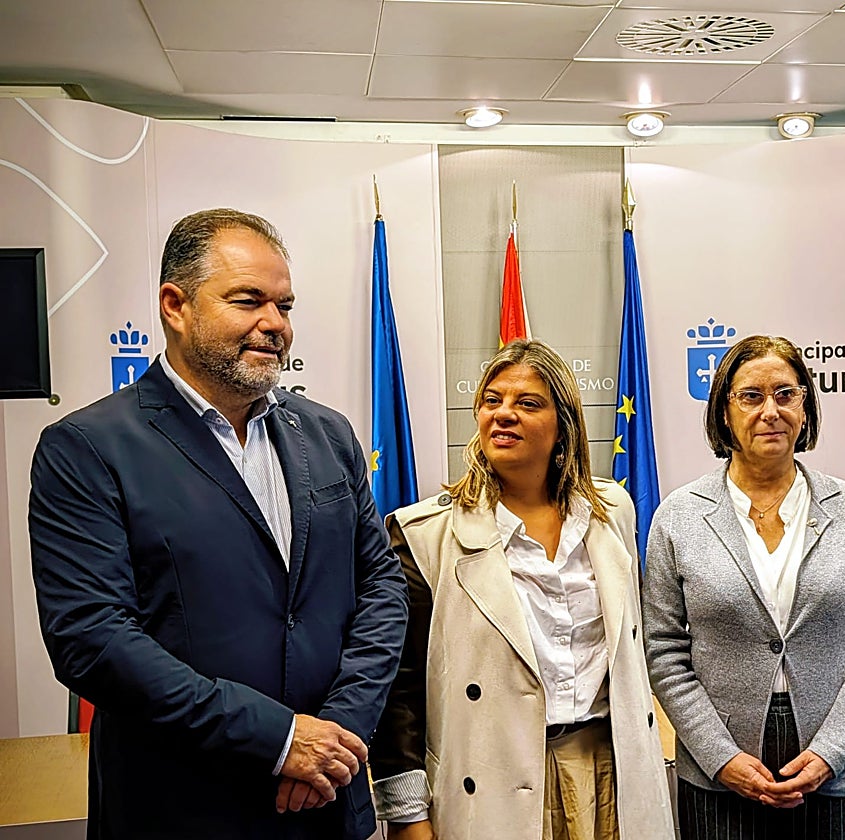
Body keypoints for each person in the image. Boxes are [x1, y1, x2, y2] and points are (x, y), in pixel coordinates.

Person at [28, 208, 408, 840]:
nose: (274, 325)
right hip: (182, 810)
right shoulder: (88, 447)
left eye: (284, 306)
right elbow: (91, 639)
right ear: (174, 305)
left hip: (327, 805)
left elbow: (381, 590)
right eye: (248, 301)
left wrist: (336, 736)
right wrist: (279, 738)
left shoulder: (328, 434)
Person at [370, 338, 674, 840]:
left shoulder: (612, 511)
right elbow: (398, 689)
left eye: (527, 403)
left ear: (563, 426)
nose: (503, 414)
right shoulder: (425, 535)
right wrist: (406, 815)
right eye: (492, 400)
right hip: (490, 778)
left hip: (612, 768)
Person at [642, 334, 845, 840]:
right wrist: (721, 757)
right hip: (721, 774)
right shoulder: (678, 516)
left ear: (805, 406)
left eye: (786, 394)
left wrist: (831, 752)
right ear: (723, 411)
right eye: (751, 396)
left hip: (835, 768)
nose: (770, 411)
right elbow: (665, 652)